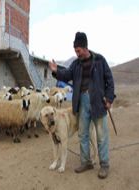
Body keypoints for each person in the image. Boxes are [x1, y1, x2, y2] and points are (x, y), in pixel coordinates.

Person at [49, 32, 115, 179]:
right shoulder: (76, 64)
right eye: (75, 50)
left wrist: (109, 99)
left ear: (85, 47)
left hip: (98, 101)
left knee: (101, 135)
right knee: (83, 133)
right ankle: (86, 162)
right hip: (82, 101)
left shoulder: (99, 60)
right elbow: (66, 74)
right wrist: (56, 71)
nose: (76, 53)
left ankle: (104, 164)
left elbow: (110, 81)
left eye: (78, 50)